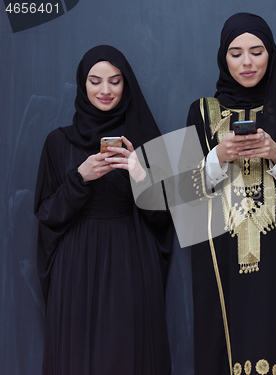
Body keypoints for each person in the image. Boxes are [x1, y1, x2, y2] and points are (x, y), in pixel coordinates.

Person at [184, 12, 276, 375]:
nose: (247, 62)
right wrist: (218, 157)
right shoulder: (202, 112)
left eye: (256, 51)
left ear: (271, 54)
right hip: (219, 259)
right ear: (223, 56)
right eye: (236, 53)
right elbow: (182, 198)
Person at [34, 45, 172, 375]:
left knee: (128, 355)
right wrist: (81, 177)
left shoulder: (147, 142)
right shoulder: (58, 143)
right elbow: (46, 214)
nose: (106, 90)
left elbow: (166, 218)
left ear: (127, 85)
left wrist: (139, 174)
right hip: (75, 265)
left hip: (131, 262)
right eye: (95, 81)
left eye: (115, 81)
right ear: (83, 85)